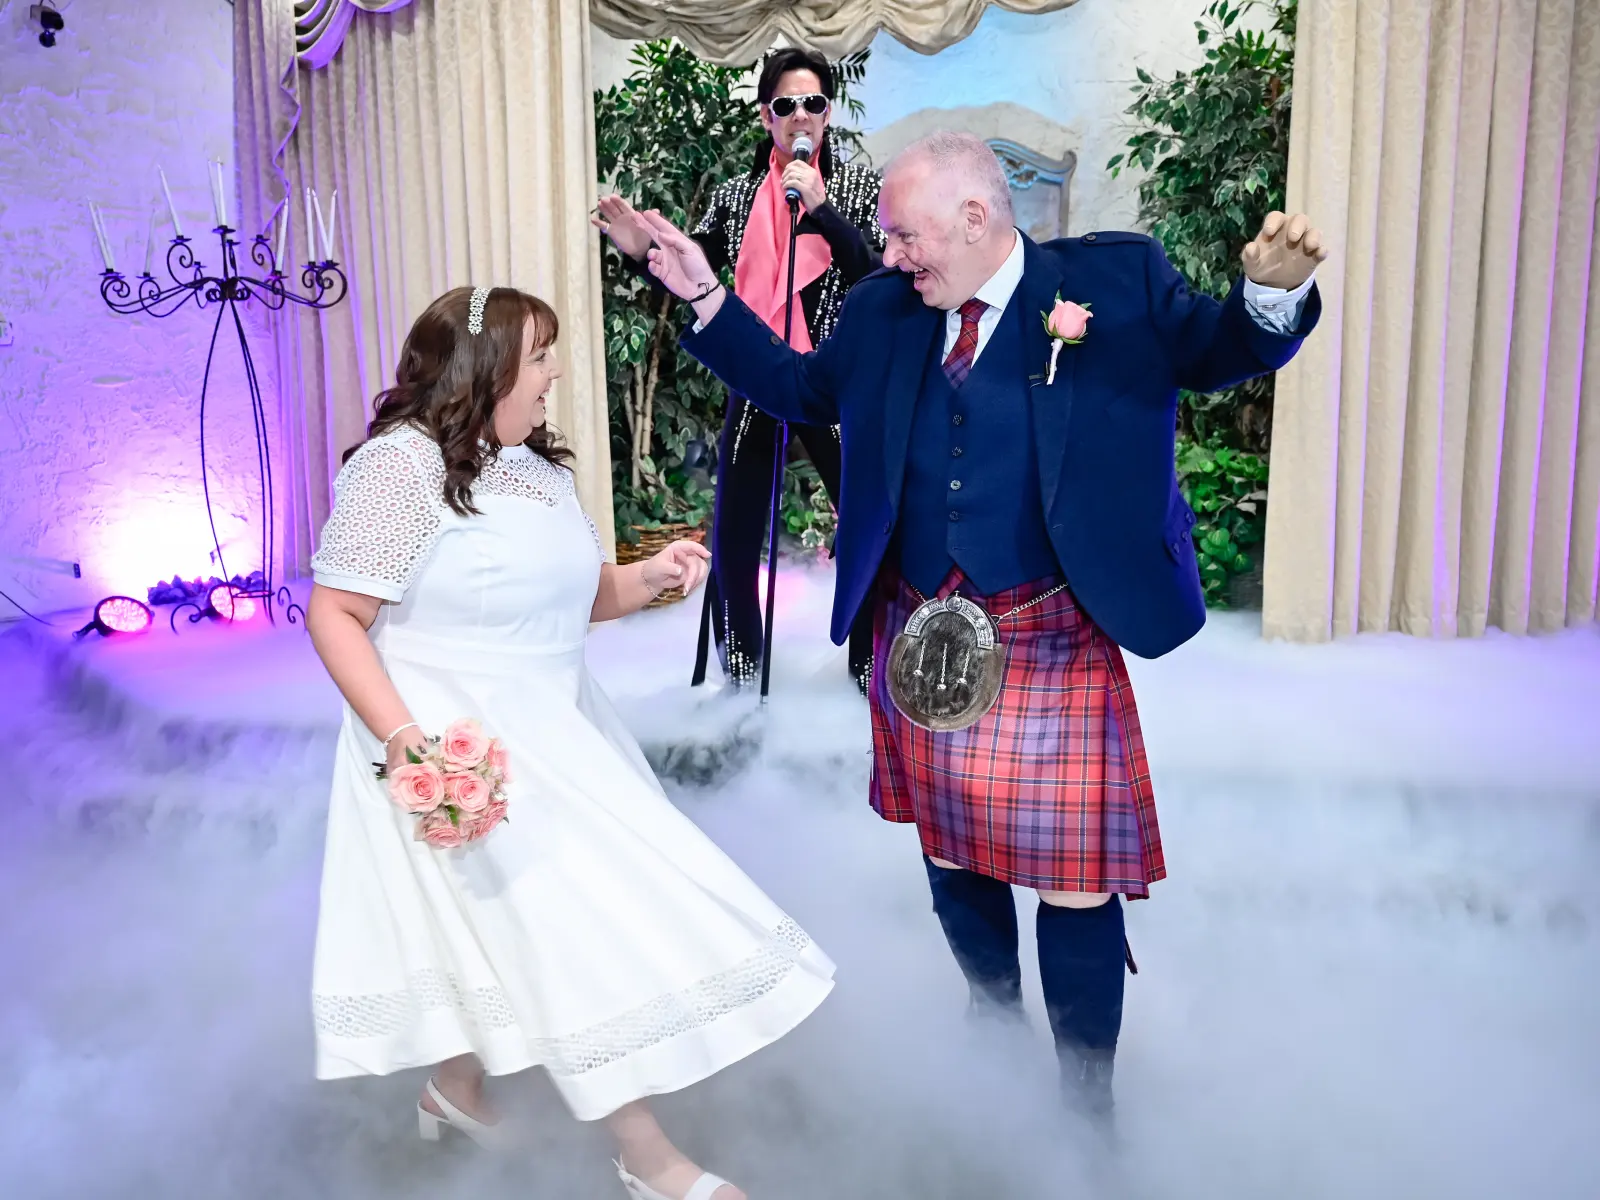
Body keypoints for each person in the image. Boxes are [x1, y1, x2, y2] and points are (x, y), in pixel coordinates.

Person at [631, 131, 1327, 1123]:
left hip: (1050, 627)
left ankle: (1087, 1105)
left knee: (1076, 882)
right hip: (919, 626)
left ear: (974, 217)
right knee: (951, 851)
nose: (892, 253)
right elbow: (795, 390)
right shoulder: (881, 312)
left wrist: (1269, 297)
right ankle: (992, 1019)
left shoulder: (1113, 284)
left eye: (904, 234)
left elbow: (1218, 351)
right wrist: (704, 295)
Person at [304, 285, 835, 1200]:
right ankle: (648, 1158)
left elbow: (582, 600)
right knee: (565, 927)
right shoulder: (401, 467)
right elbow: (337, 614)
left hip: (558, 731)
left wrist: (653, 579)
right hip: (450, 743)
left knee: (517, 927)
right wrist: (408, 746)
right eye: (542, 355)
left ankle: (456, 1091)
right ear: (486, 368)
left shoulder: (540, 473)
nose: (556, 373)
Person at [595, 46, 883, 694]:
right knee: (734, 533)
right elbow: (688, 274)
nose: (800, 116)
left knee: (866, 525)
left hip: (834, 385)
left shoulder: (863, 186)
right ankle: (740, 667)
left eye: (813, 103)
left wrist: (823, 210)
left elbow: (875, 276)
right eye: (786, 105)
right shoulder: (734, 196)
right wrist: (643, 251)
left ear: (829, 112)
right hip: (759, 376)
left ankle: (869, 664)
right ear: (766, 116)